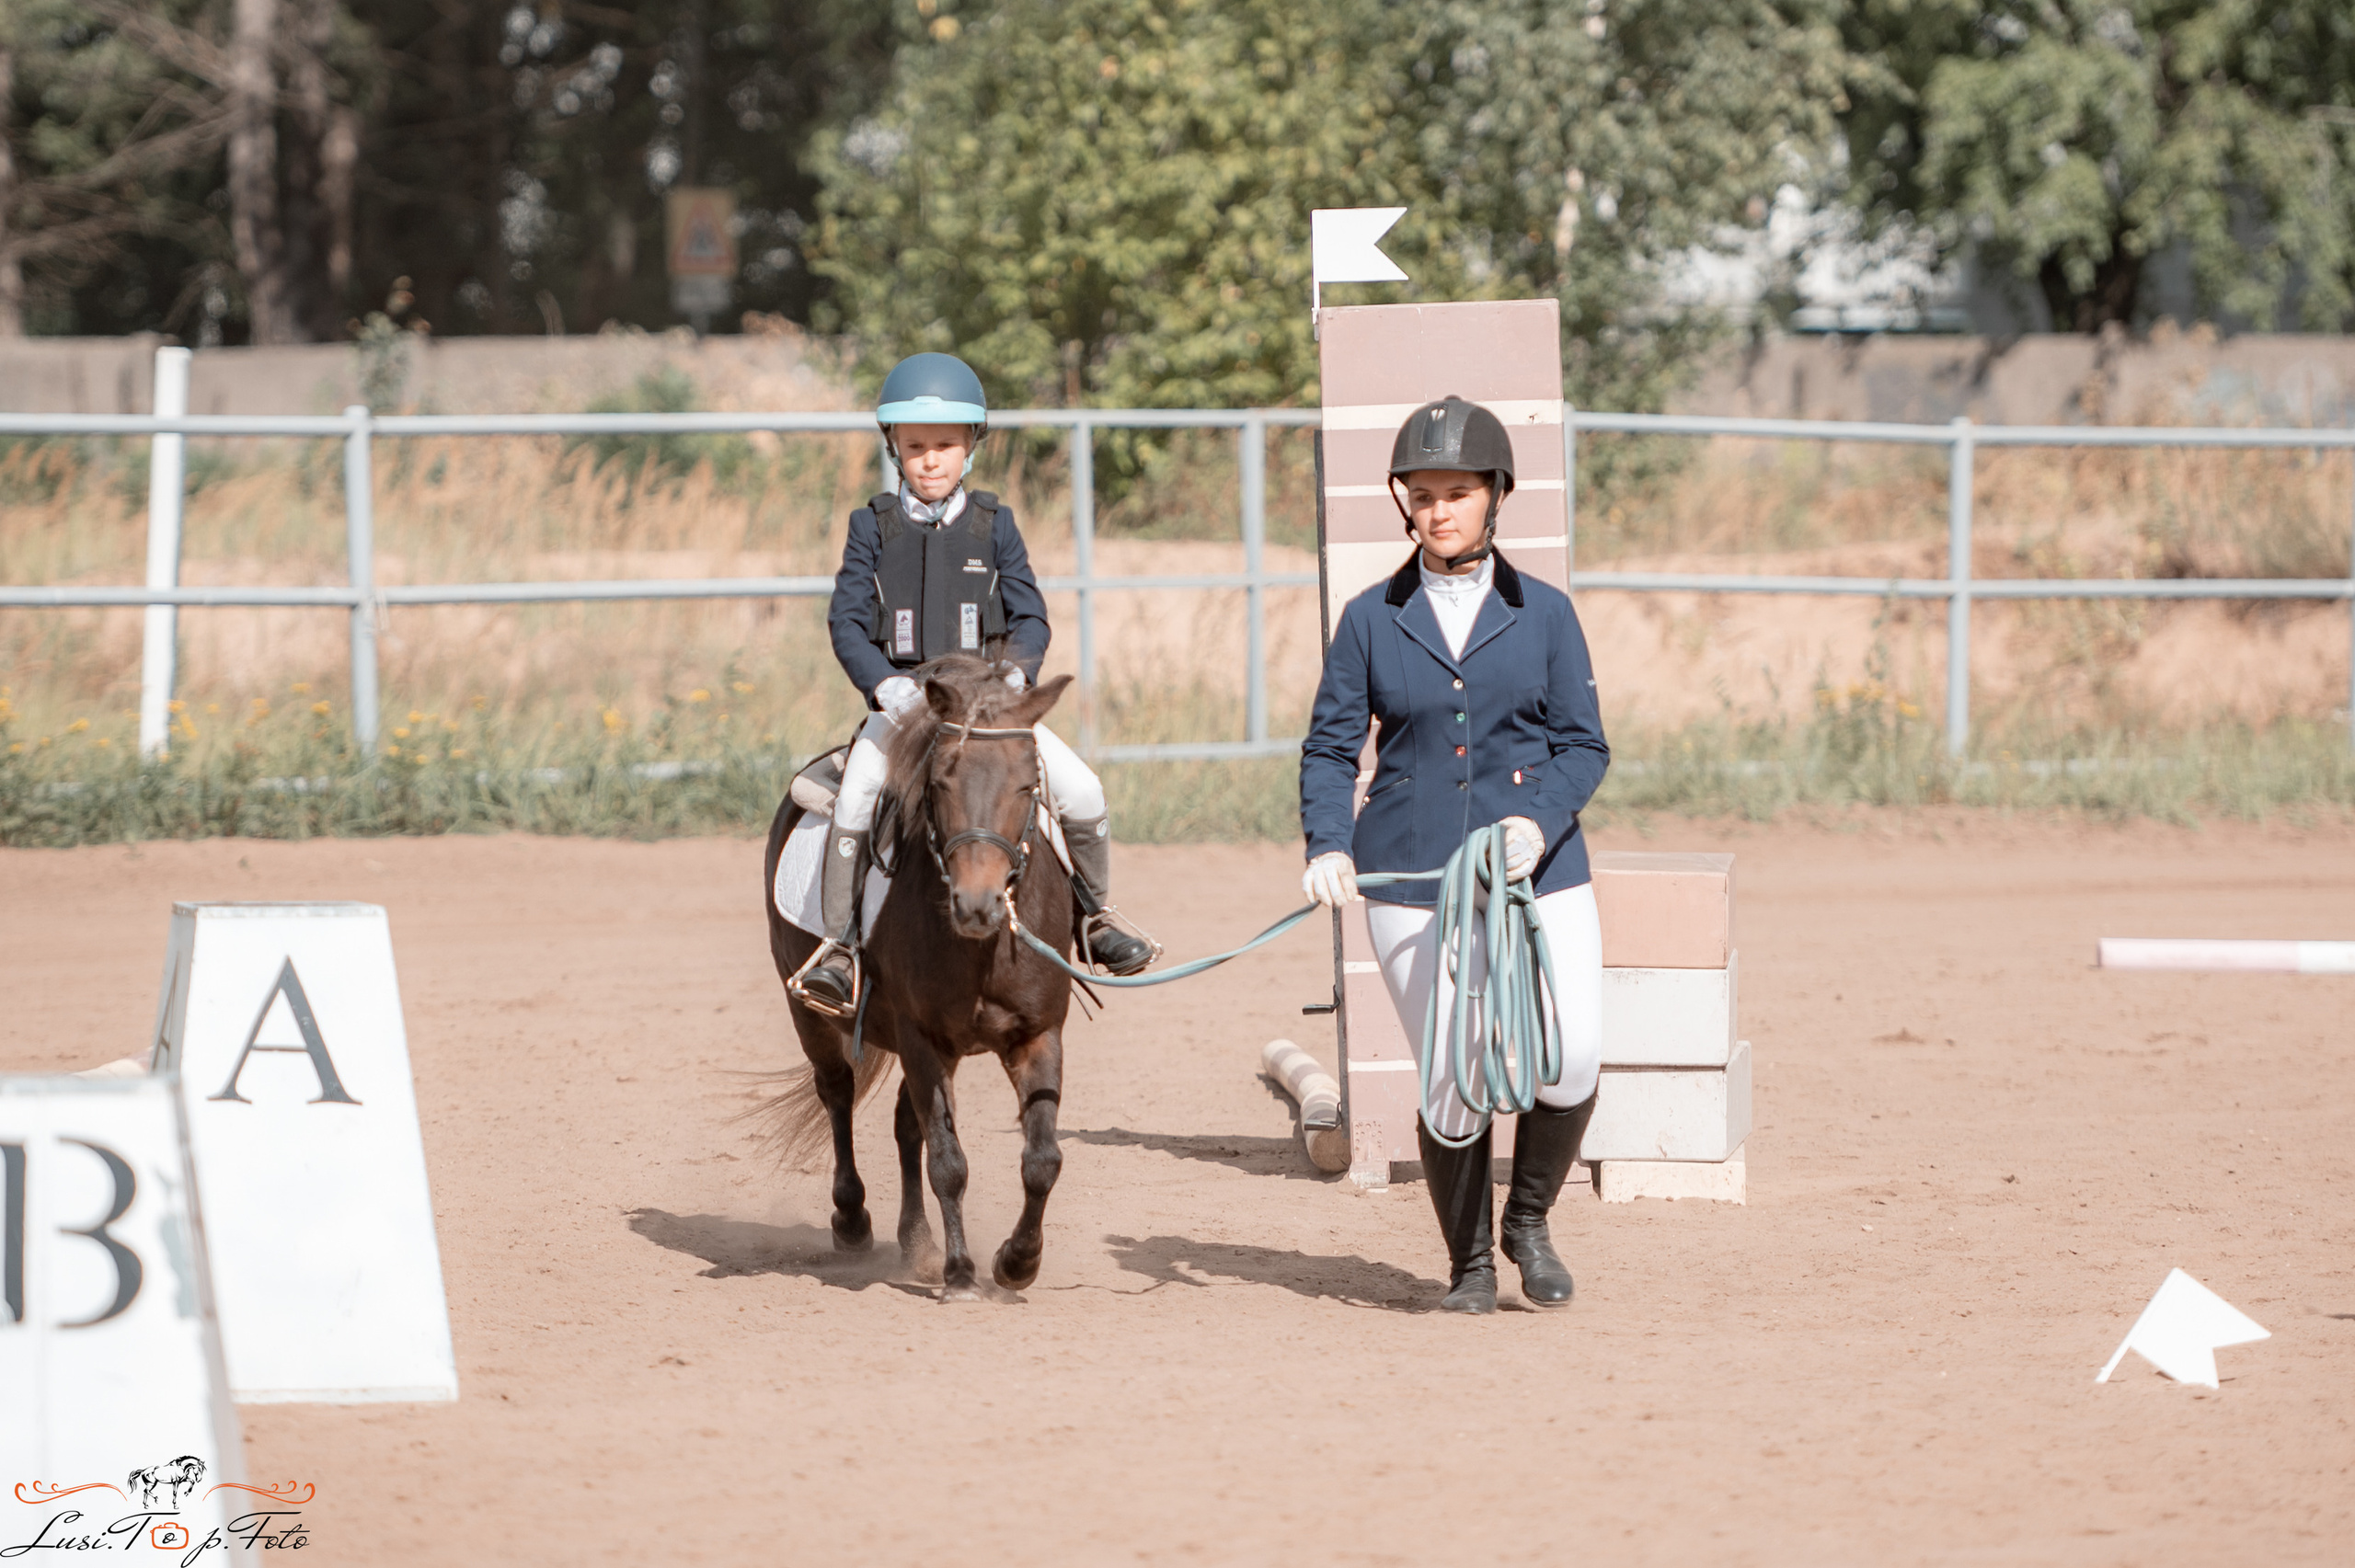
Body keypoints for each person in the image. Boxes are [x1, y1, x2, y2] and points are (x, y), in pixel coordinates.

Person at [1298, 395, 1610, 1314]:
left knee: (1575, 1055)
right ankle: (1468, 1265)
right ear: (1405, 502)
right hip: (1409, 872)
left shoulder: (1547, 614)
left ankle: (1528, 1220)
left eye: (1458, 492)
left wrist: (1538, 821)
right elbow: (1329, 745)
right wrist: (1325, 840)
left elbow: (1583, 743)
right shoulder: (1368, 617)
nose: (1439, 510)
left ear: (1494, 496)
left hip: (1537, 866)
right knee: (1452, 1074)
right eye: (1423, 493)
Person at [798, 351, 1156, 1013]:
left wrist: (1017, 675)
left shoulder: (996, 525)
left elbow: (1030, 614)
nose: (929, 460)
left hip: (990, 707)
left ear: (970, 446)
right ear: (894, 449)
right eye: (914, 448)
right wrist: (886, 687)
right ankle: (841, 949)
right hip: (907, 705)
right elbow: (846, 622)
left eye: (943, 446)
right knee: (853, 803)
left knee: (1082, 789)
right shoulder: (870, 527)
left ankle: (1097, 917)